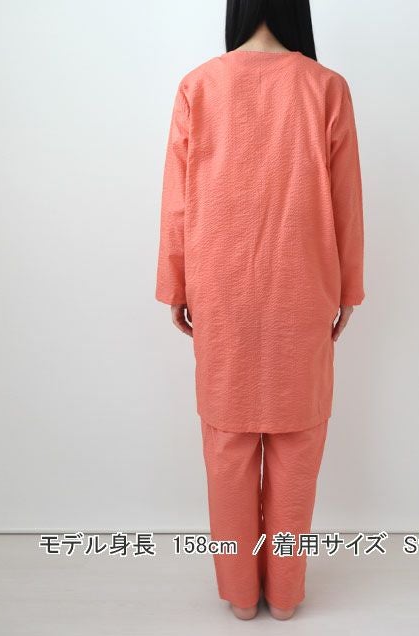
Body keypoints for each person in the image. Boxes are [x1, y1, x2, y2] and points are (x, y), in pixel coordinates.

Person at [155, 0, 365, 621]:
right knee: (298, 444)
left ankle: (242, 596)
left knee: (228, 446)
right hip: (304, 291)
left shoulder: (199, 85)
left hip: (222, 294)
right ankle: (287, 595)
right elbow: (346, 201)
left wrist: (177, 284)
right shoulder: (326, 87)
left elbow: (178, 203)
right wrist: (348, 290)